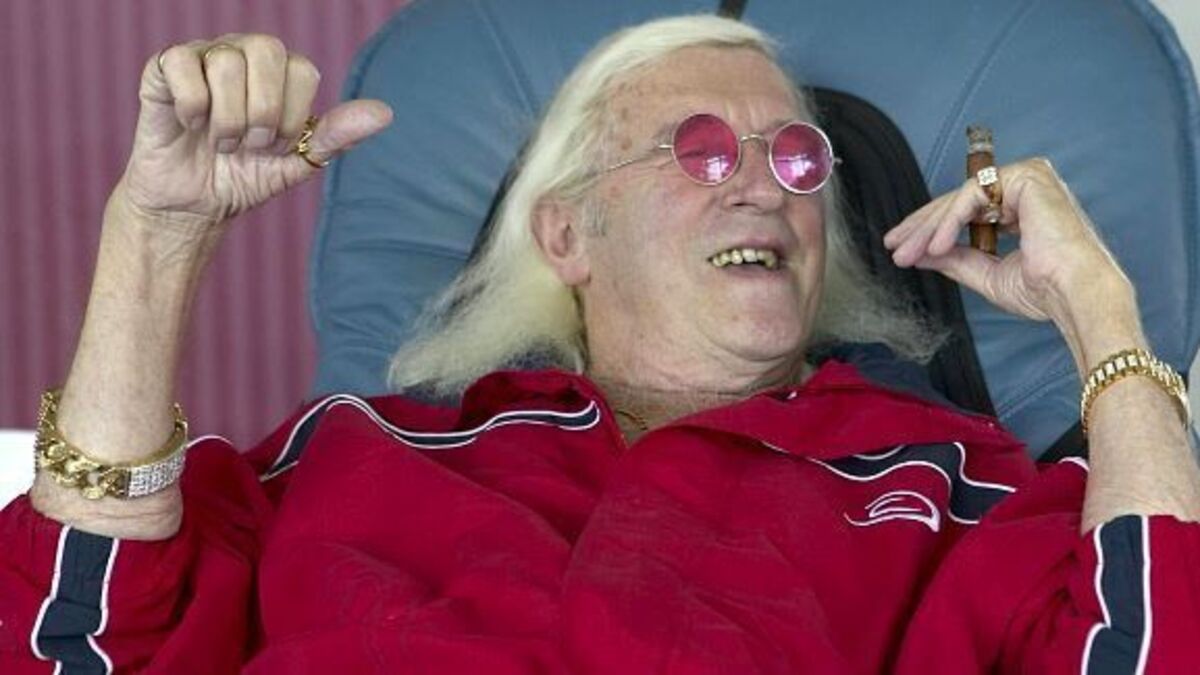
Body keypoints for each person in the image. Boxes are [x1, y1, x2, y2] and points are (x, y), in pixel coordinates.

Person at [3, 14, 1198, 674]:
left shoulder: (955, 485)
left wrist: (1101, 308)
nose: (761, 188)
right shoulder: (359, 450)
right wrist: (156, 238)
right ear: (566, 231)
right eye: (698, 150)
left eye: (795, 159)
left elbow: (1152, 647)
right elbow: (75, 638)